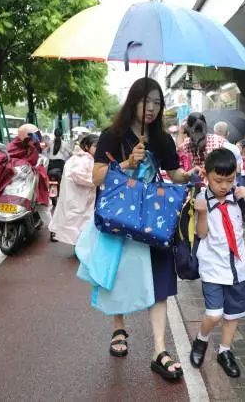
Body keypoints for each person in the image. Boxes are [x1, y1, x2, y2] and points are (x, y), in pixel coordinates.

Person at [91, 77, 200, 381]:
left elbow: (173, 172)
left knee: (161, 281)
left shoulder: (163, 139)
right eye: (145, 101)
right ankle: (118, 328)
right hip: (121, 217)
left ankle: (159, 351)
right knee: (119, 275)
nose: (151, 108)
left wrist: (188, 174)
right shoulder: (112, 135)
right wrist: (126, 162)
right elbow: (96, 177)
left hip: (154, 220)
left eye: (156, 102)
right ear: (133, 101)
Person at [190, 148, 245, 378]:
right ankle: (201, 339)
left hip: (238, 268)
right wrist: (202, 213)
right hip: (213, 267)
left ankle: (225, 351)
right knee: (214, 314)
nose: (224, 186)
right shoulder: (202, 198)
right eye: (218, 180)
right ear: (206, 176)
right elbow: (201, 234)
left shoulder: (240, 196)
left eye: (229, 179)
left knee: (233, 314)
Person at [48, 134, 98, 245]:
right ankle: (80, 249)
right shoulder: (83, 159)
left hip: (77, 196)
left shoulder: (80, 157)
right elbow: (79, 175)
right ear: (87, 147)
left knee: (77, 224)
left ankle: (80, 247)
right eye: (95, 146)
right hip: (79, 198)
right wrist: (97, 181)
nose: (98, 149)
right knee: (80, 224)